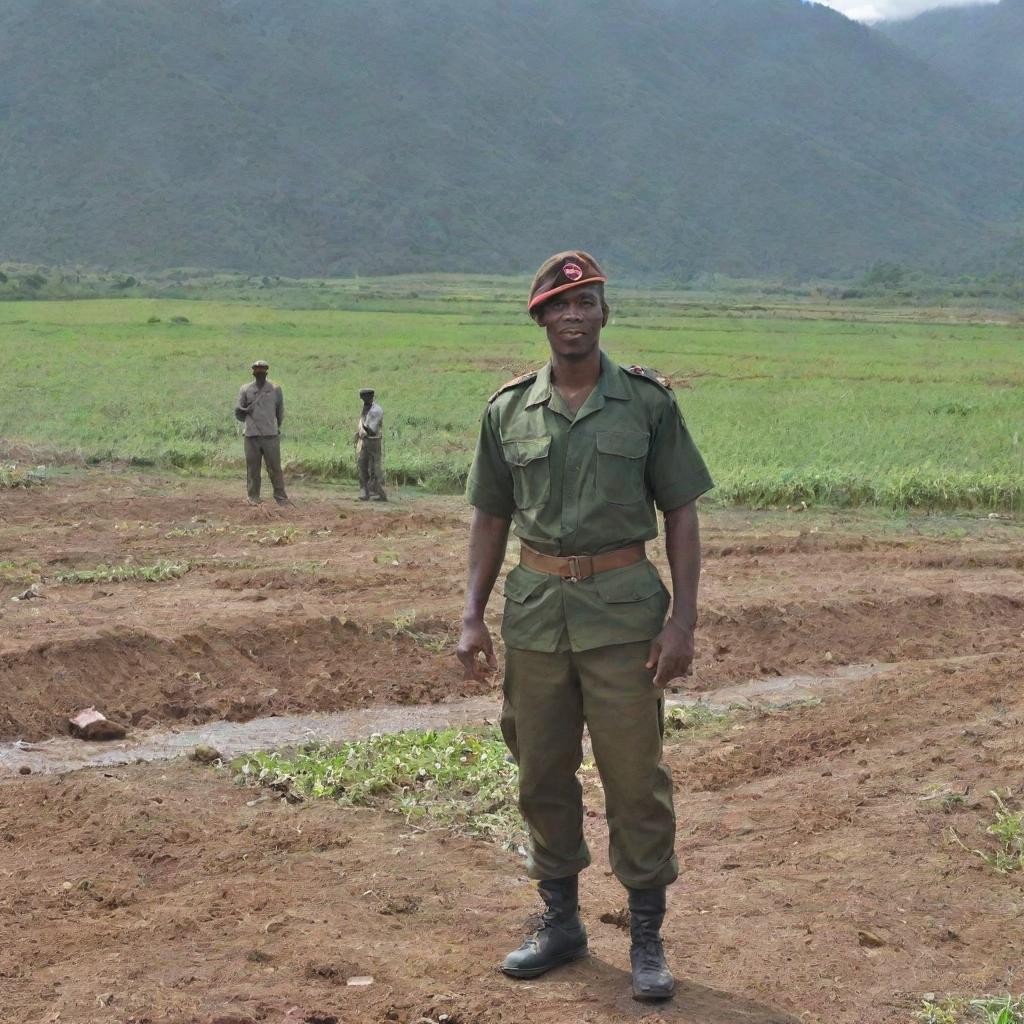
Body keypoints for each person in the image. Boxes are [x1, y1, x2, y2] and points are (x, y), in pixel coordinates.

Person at [456, 251, 713, 1002]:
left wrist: (684, 623)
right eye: (559, 306)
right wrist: (472, 615)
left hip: (627, 617)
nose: (573, 317)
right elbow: (490, 515)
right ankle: (561, 921)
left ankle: (645, 936)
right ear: (540, 318)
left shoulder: (647, 404)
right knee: (540, 773)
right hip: (536, 616)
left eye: (587, 303)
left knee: (635, 780)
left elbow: (683, 513)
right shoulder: (507, 410)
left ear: (604, 314)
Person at [234, 359, 289, 505]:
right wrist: (244, 410)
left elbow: (280, 412)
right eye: (257, 370)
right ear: (253, 372)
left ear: (267, 372)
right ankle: (253, 497)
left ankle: (280, 497)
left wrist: (275, 427)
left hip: (270, 435)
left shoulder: (276, 389)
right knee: (253, 469)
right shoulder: (245, 389)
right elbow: (238, 413)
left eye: (262, 370)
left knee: (275, 468)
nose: (260, 373)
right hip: (251, 435)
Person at [354, 387, 387, 501]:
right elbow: (364, 423)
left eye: (365, 397)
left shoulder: (376, 410)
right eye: (362, 398)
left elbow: (371, 430)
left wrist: (362, 430)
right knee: (362, 465)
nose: (363, 399)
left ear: (371, 397)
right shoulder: (366, 407)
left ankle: (379, 493)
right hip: (365, 441)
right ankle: (364, 491)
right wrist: (358, 433)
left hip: (374, 441)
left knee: (374, 468)